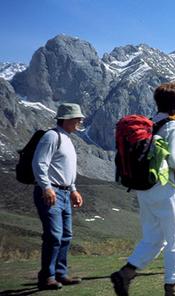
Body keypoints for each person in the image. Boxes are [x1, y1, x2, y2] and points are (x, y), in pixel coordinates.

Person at [111, 83, 175, 296]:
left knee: (154, 237)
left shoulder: (150, 123)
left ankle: (126, 273)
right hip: (167, 189)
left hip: (145, 188)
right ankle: (173, 287)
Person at [32, 103, 85, 290]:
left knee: (66, 236)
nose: (80, 121)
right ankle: (47, 276)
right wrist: (46, 187)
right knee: (54, 235)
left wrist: (73, 190)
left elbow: (65, 170)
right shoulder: (52, 136)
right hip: (51, 192)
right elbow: (39, 163)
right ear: (67, 119)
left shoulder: (67, 139)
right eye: (77, 118)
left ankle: (60, 274)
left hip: (63, 192)